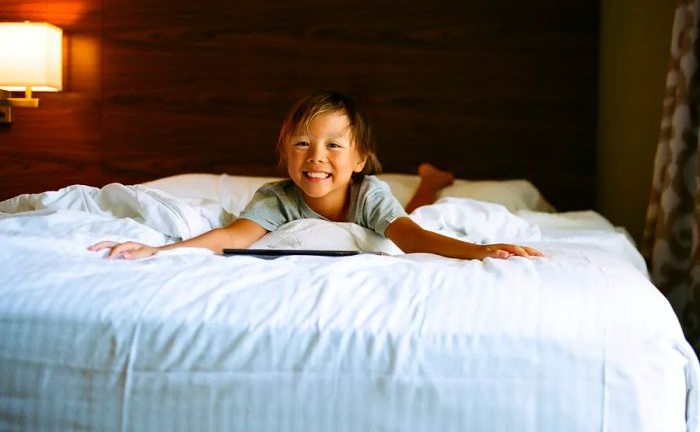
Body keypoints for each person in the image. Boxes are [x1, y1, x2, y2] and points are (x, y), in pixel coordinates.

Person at [89, 91, 543, 261]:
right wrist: (162, 249)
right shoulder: (278, 197)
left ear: (360, 158)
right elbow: (235, 235)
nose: (316, 157)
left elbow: (410, 236)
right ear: (285, 155)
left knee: (418, 209)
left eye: (333, 146)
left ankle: (431, 179)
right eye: (302, 144)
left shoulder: (368, 190)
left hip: (389, 207)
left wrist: (480, 250)